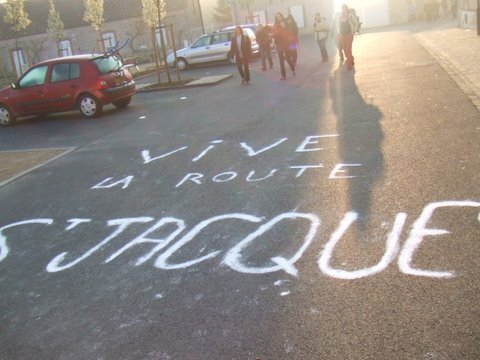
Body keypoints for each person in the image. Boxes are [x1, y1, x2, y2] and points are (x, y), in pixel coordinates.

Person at [272, 12, 295, 80]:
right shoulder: (275, 25)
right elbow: (273, 33)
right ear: (276, 18)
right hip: (279, 43)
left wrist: (284, 27)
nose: (279, 18)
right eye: (277, 16)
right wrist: (274, 34)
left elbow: (289, 32)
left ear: (282, 16)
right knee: (281, 60)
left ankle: (292, 68)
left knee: (288, 58)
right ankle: (283, 75)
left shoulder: (286, 23)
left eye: (280, 16)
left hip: (285, 43)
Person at [336, 4, 359, 70]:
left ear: (347, 9)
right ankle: (351, 59)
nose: (343, 10)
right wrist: (338, 33)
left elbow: (356, 23)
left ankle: (349, 65)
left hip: (349, 35)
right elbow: (338, 25)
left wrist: (354, 30)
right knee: (345, 51)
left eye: (344, 8)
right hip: (342, 35)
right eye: (342, 9)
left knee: (348, 49)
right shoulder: (339, 16)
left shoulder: (350, 15)